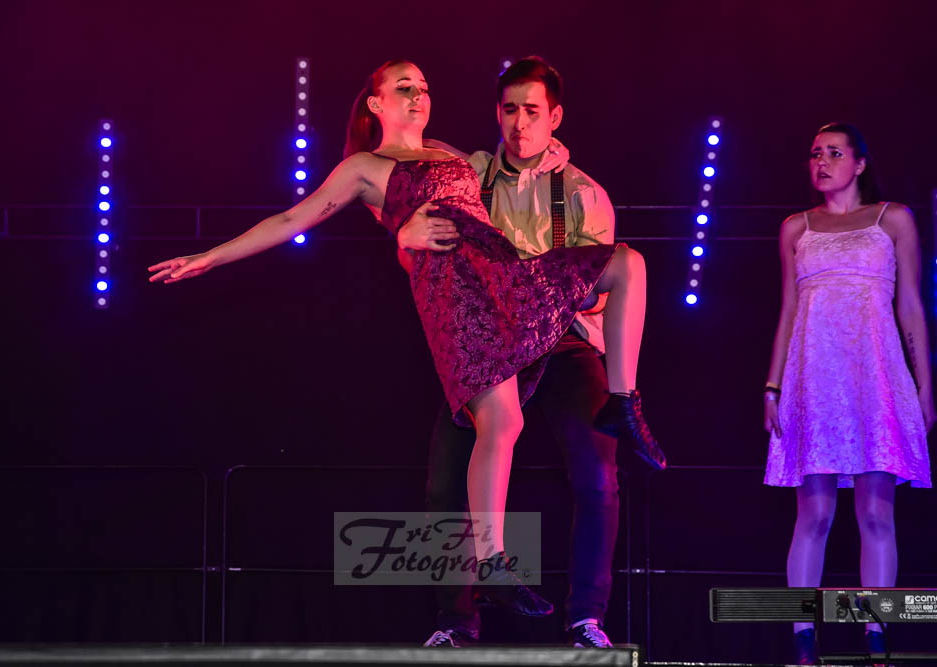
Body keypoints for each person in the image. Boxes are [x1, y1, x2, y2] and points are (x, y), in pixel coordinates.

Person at [148, 58, 656, 615]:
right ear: (376, 103)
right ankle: (490, 569)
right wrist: (210, 257)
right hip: (458, 300)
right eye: (404, 87)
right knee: (502, 423)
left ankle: (623, 403)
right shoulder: (365, 167)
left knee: (627, 264)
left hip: (506, 278)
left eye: (424, 87)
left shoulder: (451, 153)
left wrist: (546, 154)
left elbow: (510, 174)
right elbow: (291, 220)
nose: (419, 96)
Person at [396, 57, 635, 649]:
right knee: (443, 483)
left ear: (555, 116)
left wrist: (530, 290)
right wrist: (404, 233)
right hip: (486, 350)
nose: (520, 123)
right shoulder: (467, 174)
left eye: (532, 110)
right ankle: (455, 622)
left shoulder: (583, 193)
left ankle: (586, 619)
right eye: (510, 110)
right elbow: (408, 194)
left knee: (597, 475)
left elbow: (596, 292)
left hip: (562, 343)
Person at [763, 122, 934, 665]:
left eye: (835, 153)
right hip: (814, 378)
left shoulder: (893, 219)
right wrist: (772, 386)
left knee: (876, 512)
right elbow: (789, 309)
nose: (822, 162)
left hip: (875, 376)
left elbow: (910, 304)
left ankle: (875, 632)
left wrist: (925, 386)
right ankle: (803, 635)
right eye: (816, 153)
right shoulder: (796, 227)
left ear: (860, 163)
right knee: (814, 513)